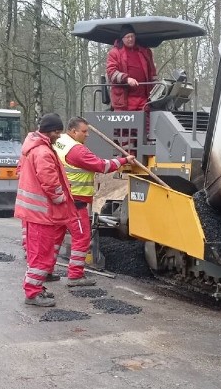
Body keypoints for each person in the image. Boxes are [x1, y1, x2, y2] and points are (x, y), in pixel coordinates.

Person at [54, 118, 136, 287]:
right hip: (76, 201)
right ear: (73, 131)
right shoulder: (77, 151)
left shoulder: (60, 141)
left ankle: (47, 270)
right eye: (84, 131)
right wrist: (124, 160)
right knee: (82, 238)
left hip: (61, 198)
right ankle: (75, 276)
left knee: (56, 237)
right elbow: (102, 166)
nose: (87, 134)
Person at [14, 113, 74, 308]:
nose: (59, 136)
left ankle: (36, 287)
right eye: (58, 132)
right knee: (42, 255)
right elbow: (49, 181)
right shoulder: (43, 152)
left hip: (35, 213)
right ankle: (32, 293)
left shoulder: (33, 149)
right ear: (53, 131)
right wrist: (60, 198)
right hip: (43, 214)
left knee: (37, 253)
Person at [106, 24, 157, 112]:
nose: (130, 39)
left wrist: (157, 86)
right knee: (125, 125)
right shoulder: (114, 53)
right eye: (127, 37)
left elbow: (152, 73)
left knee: (146, 123)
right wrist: (126, 79)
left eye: (132, 36)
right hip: (124, 101)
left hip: (144, 99)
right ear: (122, 38)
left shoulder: (144, 52)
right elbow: (111, 72)